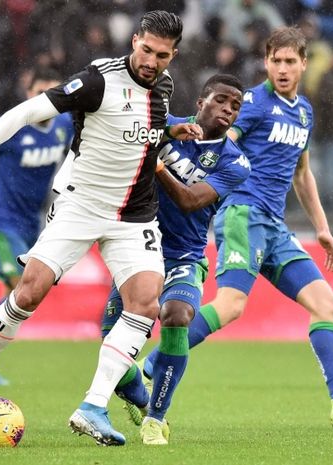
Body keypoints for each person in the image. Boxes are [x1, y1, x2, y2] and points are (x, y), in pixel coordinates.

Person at [0, 10, 197, 446]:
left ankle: (93, 406)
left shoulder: (163, 88)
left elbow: (141, 129)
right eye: (145, 49)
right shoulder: (97, 80)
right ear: (134, 42)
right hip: (79, 205)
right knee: (28, 291)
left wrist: (171, 129)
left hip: (134, 215)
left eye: (161, 55)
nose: (151, 60)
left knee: (145, 305)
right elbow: (26, 112)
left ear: (172, 55)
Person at [140, 26, 333, 429]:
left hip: (274, 224)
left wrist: (323, 228)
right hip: (242, 213)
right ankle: (153, 364)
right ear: (266, 62)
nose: (282, 68)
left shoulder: (304, 111)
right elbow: (218, 139)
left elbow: (303, 173)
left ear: (303, 64)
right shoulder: (252, 104)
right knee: (231, 306)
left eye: (290, 61)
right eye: (275, 60)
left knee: (326, 305)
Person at [101, 74, 250, 445]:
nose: (228, 110)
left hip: (184, 253)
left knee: (177, 315)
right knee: (109, 336)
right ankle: (137, 391)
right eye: (221, 101)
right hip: (136, 244)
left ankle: (155, 418)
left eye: (235, 106)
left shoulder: (235, 163)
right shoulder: (164, 126)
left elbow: (189, 201)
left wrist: (156, 165)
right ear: (200, 103)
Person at [0, 68, 74, 386]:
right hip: (2, 219)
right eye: (39, 94)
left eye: (52, 95)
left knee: (20, 292)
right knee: (21, 283)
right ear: (28, 95)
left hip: (33, 221)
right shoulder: (13, 127)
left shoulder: (64, 126)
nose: (45, 102)